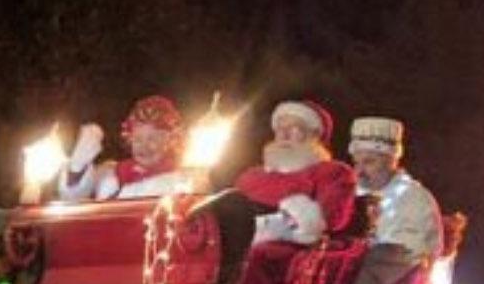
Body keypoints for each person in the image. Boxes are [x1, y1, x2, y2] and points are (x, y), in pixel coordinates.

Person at [341, 116, 443, 284]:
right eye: (356, 162)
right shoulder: (348, 192)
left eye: (369, 162)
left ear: (391, 160)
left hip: (392, 271)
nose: (360, 171)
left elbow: (410, 248)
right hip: (349, 261)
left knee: (376, 264)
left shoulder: (415, 199)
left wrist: (365, 247)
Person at [234, 100, 357, 244]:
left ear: (314, 135)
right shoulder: (251, 176)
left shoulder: (333, 172)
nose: (284, 134)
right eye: (279, 128)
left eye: (294, 128)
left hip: (288, 253)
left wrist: (257, 228)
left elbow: (327, 219)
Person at [57, 95, 202, 201]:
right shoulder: (110, 173)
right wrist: (77, 166)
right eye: (138, 139)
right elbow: (72, 198)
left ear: (170, 141)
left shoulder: (184, 181)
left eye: (152, 139)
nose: (144, 146)